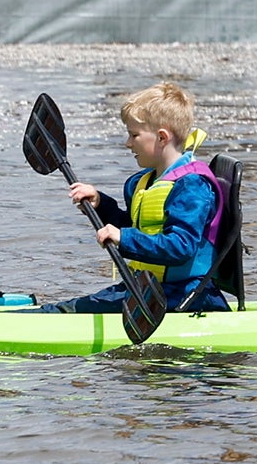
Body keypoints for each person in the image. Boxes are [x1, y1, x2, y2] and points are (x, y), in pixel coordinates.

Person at [59, 81, 232, 315]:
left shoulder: (191, 186)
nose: (128, 143)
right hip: (151, 289)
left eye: (134, 135)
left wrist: (122, 237)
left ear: (162, 137)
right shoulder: (146, 181)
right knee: (70, 307)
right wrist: (101, 204)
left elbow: (181, 247)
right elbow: (137, 228)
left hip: (185, 296)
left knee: (69, 311)